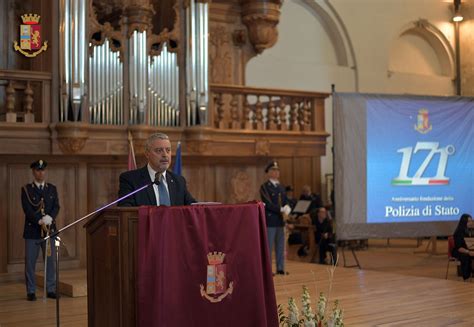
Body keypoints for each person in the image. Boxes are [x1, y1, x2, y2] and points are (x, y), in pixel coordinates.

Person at [118, 133, 196, 206]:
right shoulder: (130, 179)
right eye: (159, 150)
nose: (165, 155)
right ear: (147, 154)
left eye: (168, 150)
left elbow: (193, 207)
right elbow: (125, 210)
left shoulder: (179, 181)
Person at [21, 160, 60, 301]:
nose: (41, 173)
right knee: (30, 263)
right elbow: (27, 209)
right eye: (38, 170)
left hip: (49, 231)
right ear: (33, 171)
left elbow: (56, 206)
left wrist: (50, 217)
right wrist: (39, 220)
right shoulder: (26, 189)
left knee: (50, 262)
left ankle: (50, 289)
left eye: (43, 170)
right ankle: (31, 291)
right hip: (33, 232)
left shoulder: (52, 188)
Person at [260, 161, 291, 275]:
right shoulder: (264, 187)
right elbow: (267, 203)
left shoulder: (281, 186)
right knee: (269, 246)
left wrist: (287, 207)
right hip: (271, 220)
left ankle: (280, 268)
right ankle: (267, 270)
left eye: (277, 170)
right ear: (268, 172)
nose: (276, 172)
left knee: (280, 246)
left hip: (280, 220)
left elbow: (285, 200)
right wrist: (281, 209)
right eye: (273, 170)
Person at [452, 213, 474, 281]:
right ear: (464, 222)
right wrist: (468, 252)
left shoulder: (471, 230)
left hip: (470, 249)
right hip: (460, 251)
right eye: (469, 221)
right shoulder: (458, 232)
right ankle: (466, 277)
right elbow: (459, 247)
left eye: (471, 221)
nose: (471, 223)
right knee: (465, 257)